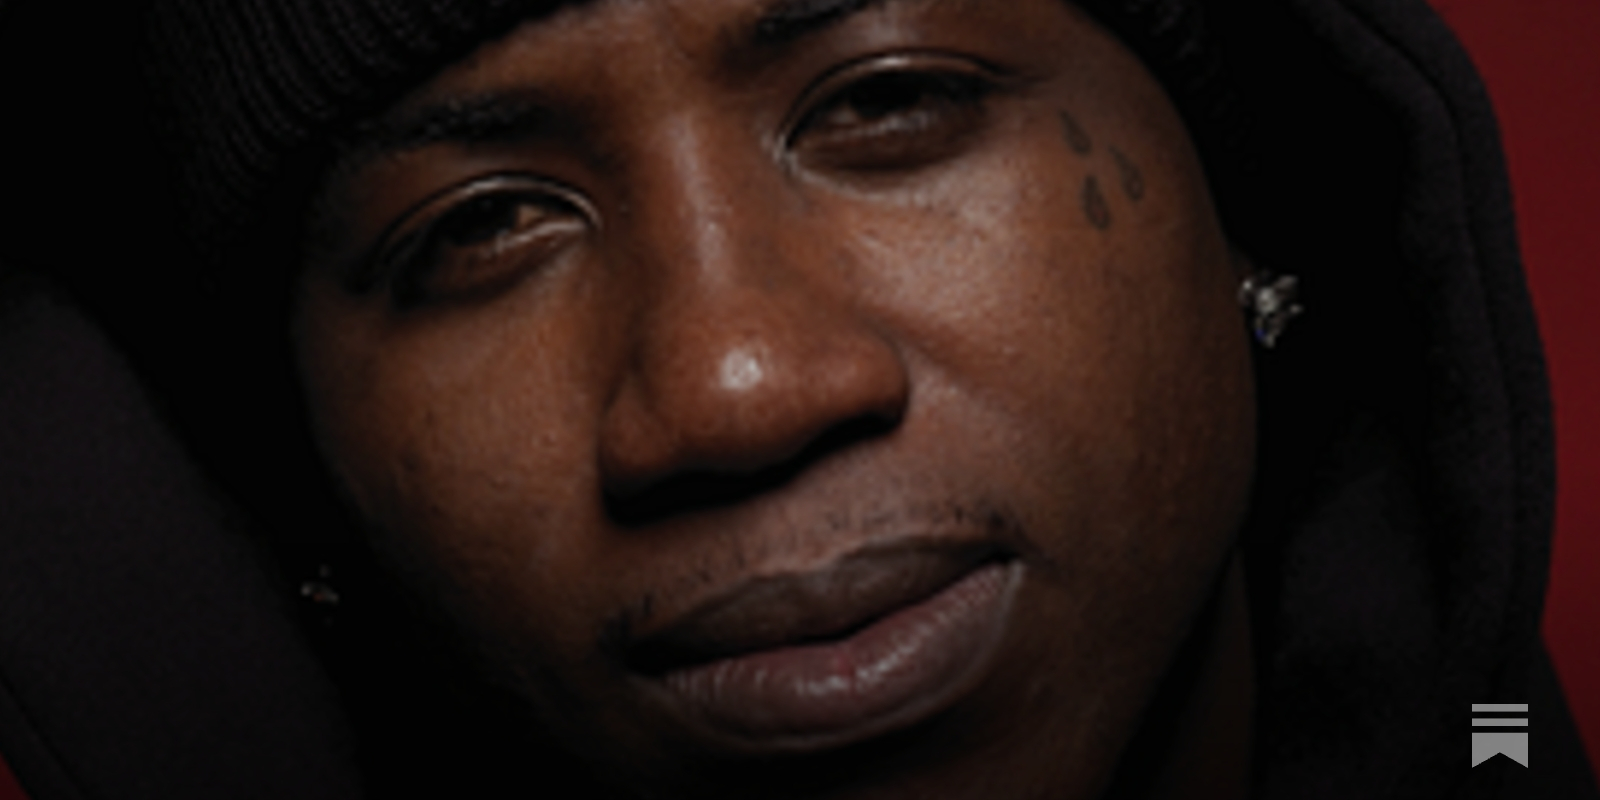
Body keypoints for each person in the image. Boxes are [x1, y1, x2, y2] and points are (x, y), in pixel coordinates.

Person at [0, 0, 1592, 798]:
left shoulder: (1503, 750)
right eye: (480, 228)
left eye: (890, 102)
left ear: (1242, 211)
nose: (734, 388)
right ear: (304, 483)